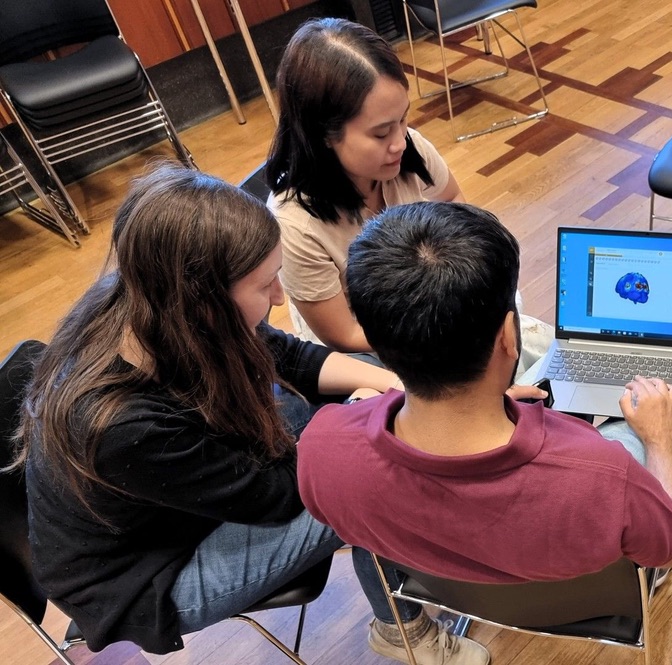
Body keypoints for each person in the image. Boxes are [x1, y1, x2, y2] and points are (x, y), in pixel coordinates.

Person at [297, 202, 672, 661]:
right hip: (588, 598)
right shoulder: (604, 478)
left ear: (374, 340)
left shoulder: (321, 449)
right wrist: (658, 440)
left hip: (451, 585)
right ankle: (642, 572)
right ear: (508, 334)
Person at [8, 166, 412, 655]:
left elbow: (286, 355)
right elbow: (281, 494)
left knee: (378, 386)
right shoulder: (120, 423)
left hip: (185, 487)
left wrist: (395, 383)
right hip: (147, 571)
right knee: (373, 475)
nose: (279, 297)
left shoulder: (155, 301)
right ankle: (405, 631)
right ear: (201, 300)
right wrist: (370, 420)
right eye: (264, 286)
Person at [265, 18, 550, 367]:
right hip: (369, 347)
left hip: (436, 311)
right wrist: (442, 330)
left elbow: (457, 211)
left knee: (529, 349)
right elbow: (342, 334)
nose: (401, 142)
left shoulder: (408, 149)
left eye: (403, 120)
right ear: (324, 134)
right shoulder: (295, 223)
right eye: (381, 133)